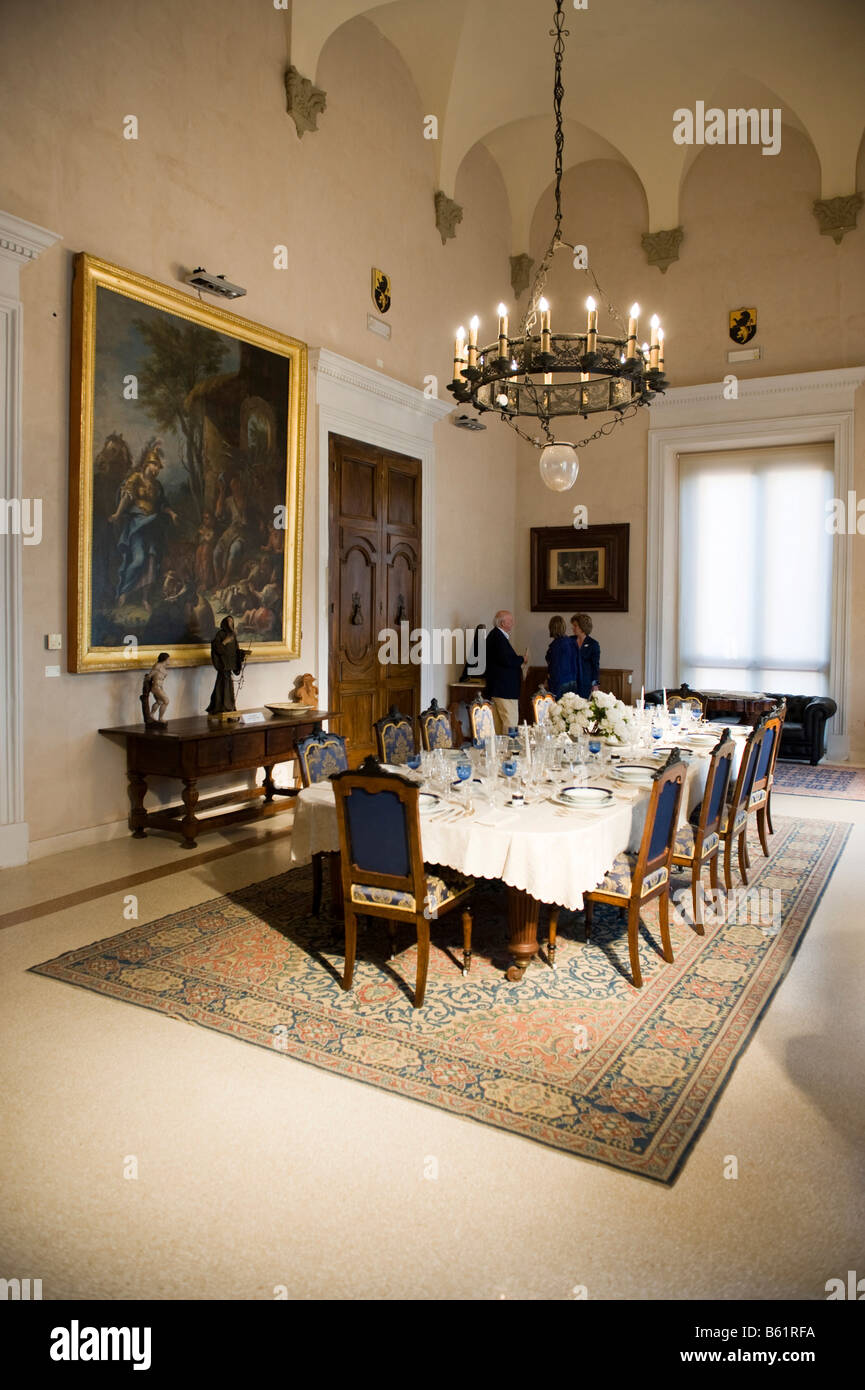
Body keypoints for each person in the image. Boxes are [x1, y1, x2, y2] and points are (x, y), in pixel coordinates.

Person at [484, 610, 526, 733]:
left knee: (498, 725)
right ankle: (510, 750)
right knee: (510, 723)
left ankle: (499, 751)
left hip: (499, 688)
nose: (513, 623)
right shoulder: (498, 637)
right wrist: (522, 659)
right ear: (503, 623)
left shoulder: (496, 635)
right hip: (505, 690)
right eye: (511, 621)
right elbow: (506, 660)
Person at [206, 615, 248, 715]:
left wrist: (241, 654)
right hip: (223, 665)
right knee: (222, 687)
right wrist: (225, 641)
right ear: (224, 623)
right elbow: (216, 648)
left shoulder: (233, 636)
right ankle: (221, 707)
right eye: (228, 621)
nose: (230, 624)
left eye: (231, 622)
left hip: (229, 666)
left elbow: (235, 651)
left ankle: (229, 707)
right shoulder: (220, 634)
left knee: (229, 688)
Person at [545, 615, 578, 697]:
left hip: (559, 682)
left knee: (558, 708)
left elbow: (554, 666)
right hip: (573, 680)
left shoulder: (556, 645)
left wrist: (549, 680)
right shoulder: (572, 642)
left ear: (552, 628)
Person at [571, 612, 601, 697]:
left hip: (585, 684)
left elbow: (595, 666)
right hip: (570, 684)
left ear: (582, 627)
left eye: (575, 626)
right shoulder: (569, 641)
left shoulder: (593, 644)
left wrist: (595, 684)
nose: (573, 628)